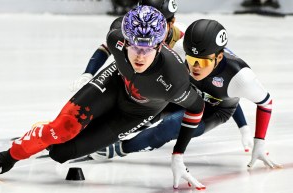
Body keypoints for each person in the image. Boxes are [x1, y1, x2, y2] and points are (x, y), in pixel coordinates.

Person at [0, 6, 206, 190]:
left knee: (60, 153)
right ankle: (4, 159)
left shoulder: (174, 78)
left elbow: (197, 108)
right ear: (125, 41)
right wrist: (88, 72)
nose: (140, 56)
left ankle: (47, 135)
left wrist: (178, 154)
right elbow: (105, 49)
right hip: (114, 83)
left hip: (138, 112)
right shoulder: (116, 37)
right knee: (62, 129)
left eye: (147, 49)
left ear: (160, 46)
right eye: (134, 47)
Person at [87, 19, 282, 189]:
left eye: (203, 63)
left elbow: (262, 102)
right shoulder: (180, 49)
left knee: (171, 125)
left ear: (219, 57)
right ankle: (103, 132)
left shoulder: (241, 77)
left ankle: (119, 149)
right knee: (149, 104)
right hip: (188, 93)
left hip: (215, 109)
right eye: (191, 59)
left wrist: (256, 139)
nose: (196, 67)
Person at [70, 0, 254, 152]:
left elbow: (221, 88)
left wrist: (243, 127)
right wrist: (88, 73)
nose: (148, 29)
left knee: (158, 118)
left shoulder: (186, 47)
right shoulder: (140, 27)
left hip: (190, 97)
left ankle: (115, 147)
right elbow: (108, 46)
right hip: (170, 88)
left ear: (171, 24)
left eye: (158, 25)